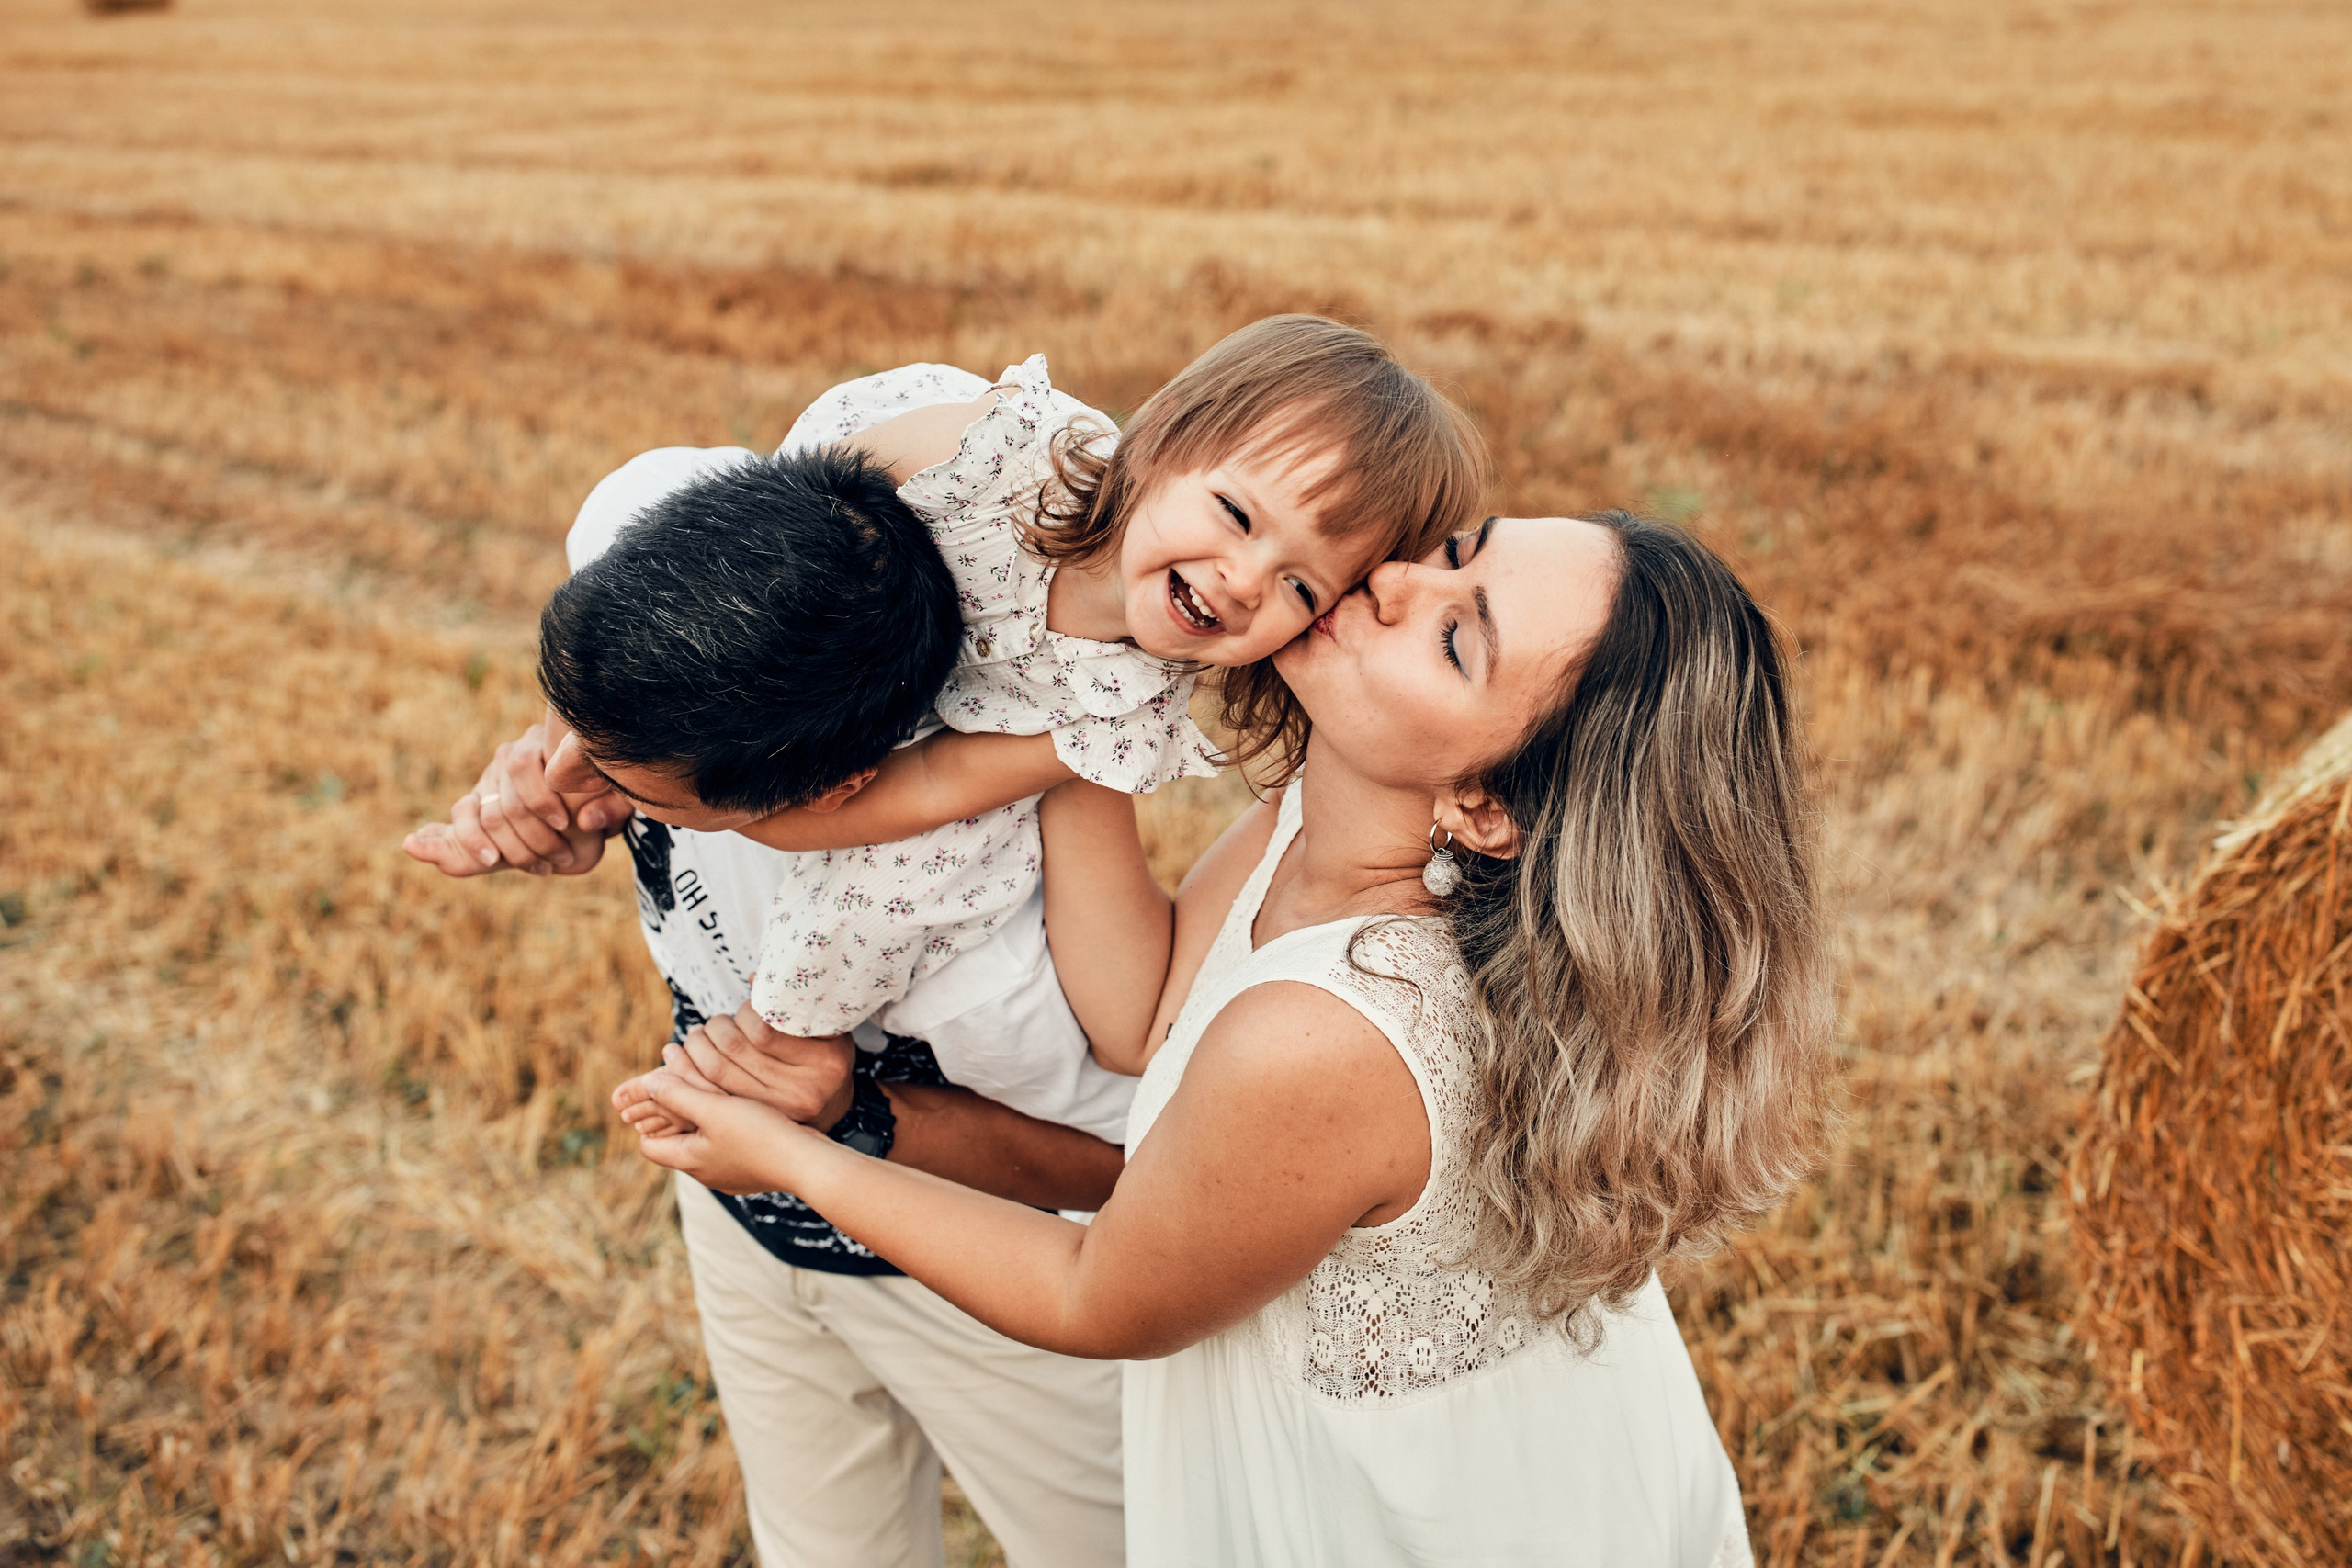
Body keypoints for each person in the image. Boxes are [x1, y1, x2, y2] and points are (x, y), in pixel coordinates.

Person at [407, 322, 1489, 1567]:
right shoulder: (930, 472)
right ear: (1163, 437)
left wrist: (1060, 762)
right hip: (748, 1219)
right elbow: (698, 609)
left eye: (1301, 586)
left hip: (976, 1268)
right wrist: (597, 750)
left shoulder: (1081, 748)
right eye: (1240, 515)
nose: (1247, 581)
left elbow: (1121, 1085)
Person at [621, 511, 1837, 1567]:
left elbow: (1097, 1296)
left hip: (1428, 1514)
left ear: (1485, 805)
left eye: (1457, 638)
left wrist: (790, 1158)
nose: (1395, 583)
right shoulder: (1327, 806)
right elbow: (1147, 1013)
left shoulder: (1329, 1035)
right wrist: (1087, 707)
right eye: (1456, 554)